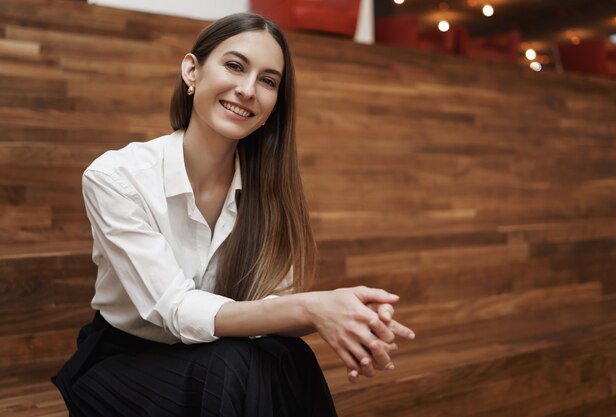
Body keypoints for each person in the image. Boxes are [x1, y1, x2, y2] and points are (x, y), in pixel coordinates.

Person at [52, 12, 414, 417]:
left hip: (219, 359)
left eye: (268, 80)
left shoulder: (268, 190)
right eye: (235, 66)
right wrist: (310, 307)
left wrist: (346, 314)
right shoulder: (116, 177)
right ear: (192, 71)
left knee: (289, 356)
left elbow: (270, 308)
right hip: (124, 359)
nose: (247, 89)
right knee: (237, 366)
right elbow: (174, 310)